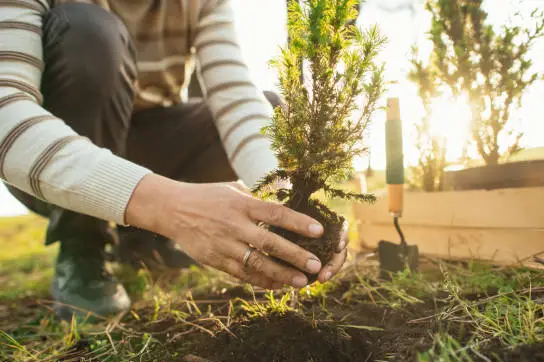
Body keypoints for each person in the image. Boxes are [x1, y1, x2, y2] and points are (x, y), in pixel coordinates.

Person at [0, 0, 349, 320]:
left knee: (268, 108)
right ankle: (84, 243)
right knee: (89, 35)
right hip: (58, 149)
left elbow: (235, 99)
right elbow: (6, 112)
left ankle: (142, 240)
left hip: (152, 141)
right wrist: (172, 208)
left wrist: (283, 202)